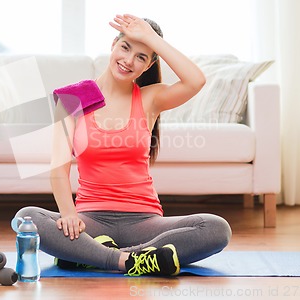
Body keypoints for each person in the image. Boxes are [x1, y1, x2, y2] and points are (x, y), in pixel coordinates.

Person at [15, 14, 232, 276]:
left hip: (145, 221)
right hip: (90, 219)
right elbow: (58, 169)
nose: (128, 61)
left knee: (216, 228)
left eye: (141, 56)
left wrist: (150, 38)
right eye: (125, 47)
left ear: (149, 64)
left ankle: (92, 254)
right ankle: (128, 261)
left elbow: (195, 80)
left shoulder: (151, 99)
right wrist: (69, 214)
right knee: (27, 218)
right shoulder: (73, 99)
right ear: (113, 44)